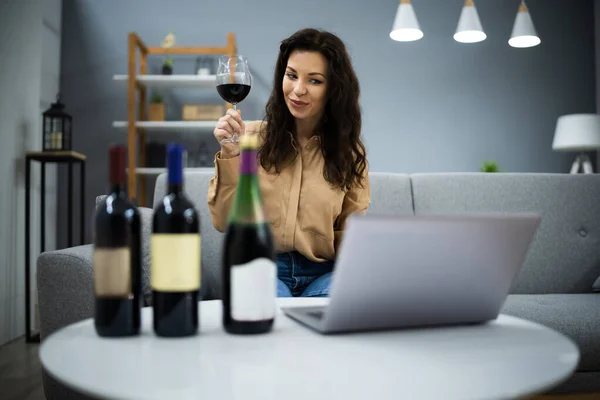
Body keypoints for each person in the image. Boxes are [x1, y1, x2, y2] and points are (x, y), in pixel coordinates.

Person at [207, 28, 370, 298]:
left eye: (314, 81)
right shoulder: (249, 139)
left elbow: (349, 234)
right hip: (263, 266)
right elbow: (225, 221)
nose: (298, 90)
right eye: (291, 75)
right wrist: (231, 155)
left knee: (343, 299)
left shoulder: (349, 153)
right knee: (272, 308)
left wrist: (358, 280)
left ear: (334, 89)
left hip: (324, 272)